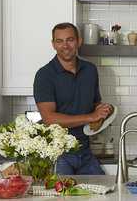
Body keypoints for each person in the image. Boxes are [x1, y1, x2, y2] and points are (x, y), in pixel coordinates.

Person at [33, 22, 114, 175]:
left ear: (79, 41)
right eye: (59, 41)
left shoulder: (90, 70)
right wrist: (91, 117)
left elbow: (95, 104)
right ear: (53, 44)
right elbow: (49, 118)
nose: (65, 45)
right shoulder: (44, 75)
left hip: (85, 152)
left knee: (103, 189)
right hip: (59, 154)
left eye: (70, 40)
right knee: (62, 191)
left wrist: (103, 110)